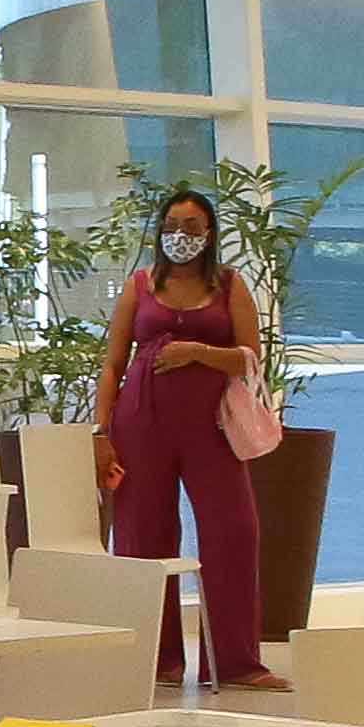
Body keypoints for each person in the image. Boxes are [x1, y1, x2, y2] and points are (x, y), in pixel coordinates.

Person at [94, 185, 287, 690]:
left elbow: (249, 357)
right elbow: (113, 363)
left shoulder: (229, 285)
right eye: (173, 226)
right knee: (144, 538)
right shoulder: (140, 285)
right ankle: (158, 660)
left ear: (210, 233)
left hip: (212, 430)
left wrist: (198, 351)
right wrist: (101, 430)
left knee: (233, 533)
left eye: (193, 227)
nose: (182, 236)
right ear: (160, 231)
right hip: (141, 425)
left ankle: (238, 661)